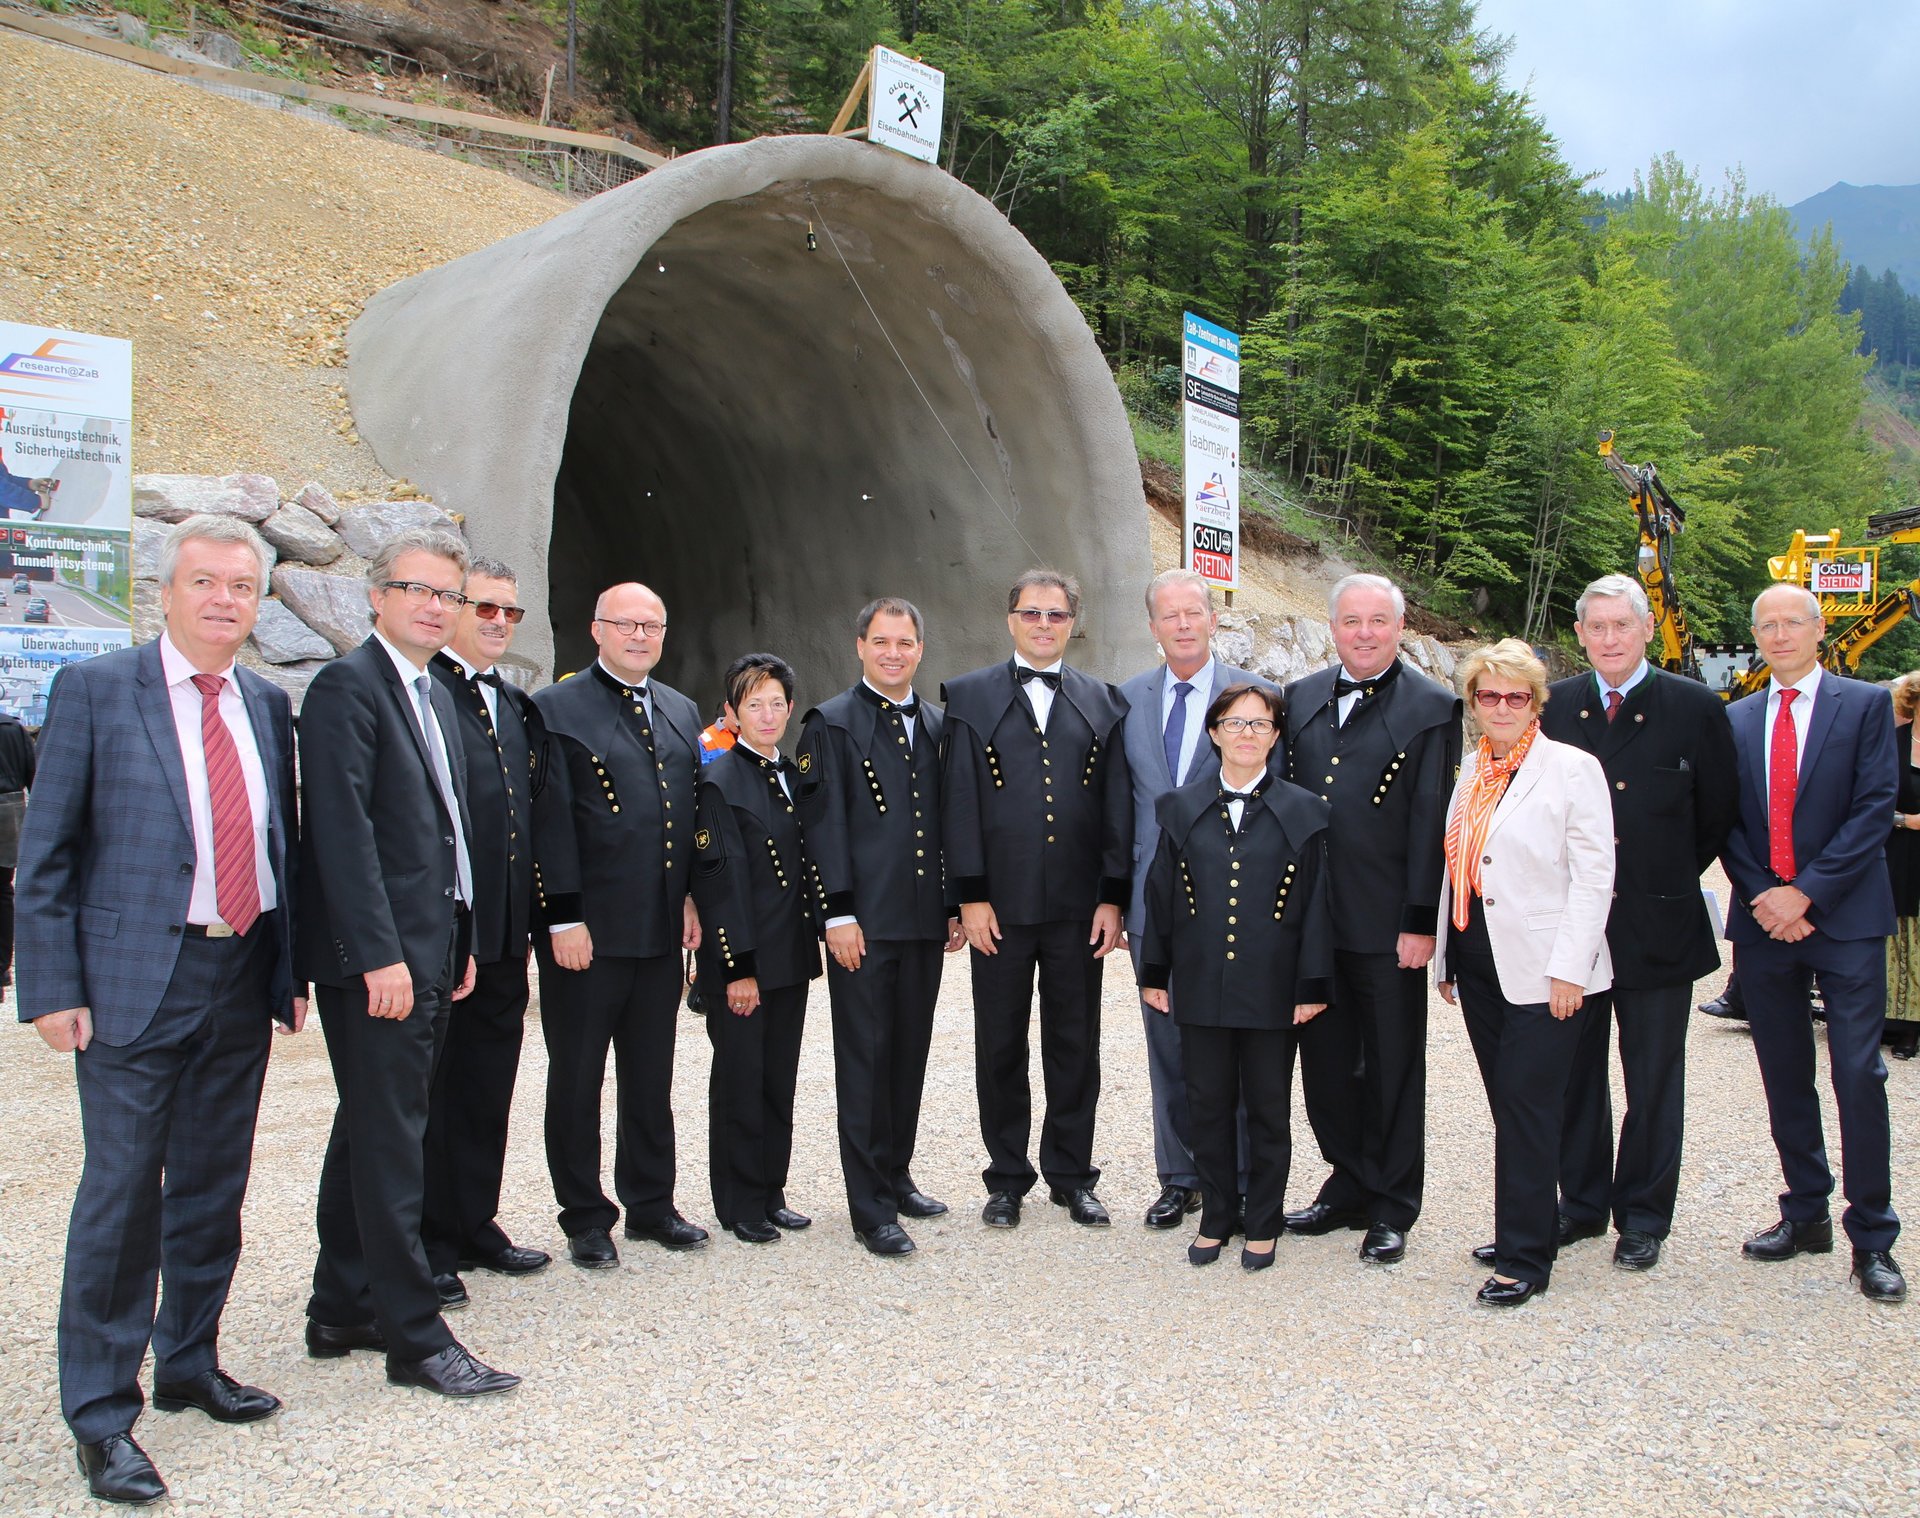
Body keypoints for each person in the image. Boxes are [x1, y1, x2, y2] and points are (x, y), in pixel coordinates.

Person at [17, 516, 301, 1503]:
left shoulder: (266, 706)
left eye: (241, 585)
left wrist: (288, 966)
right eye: (205, 582)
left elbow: (279, 849)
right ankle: (101, 1417)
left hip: (239, 972)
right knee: (122, 1197)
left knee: (212, 1187)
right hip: (137, 980)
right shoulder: (98, 693)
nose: (224, 598)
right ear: (168, 591)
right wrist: (50, 984)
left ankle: (188, 1363)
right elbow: (45, 856)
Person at [300, 528, 516, 1397]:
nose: (435, 606)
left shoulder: (427, 693)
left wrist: (458, 940)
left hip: (433, 949)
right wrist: (379, 957)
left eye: (447, 594)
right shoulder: (348, 689)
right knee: (395, 1144)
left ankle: (340, 1303)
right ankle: (414, 1338)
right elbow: (343, 839)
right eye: (418, 590)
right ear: (376, 597)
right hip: (382, 961)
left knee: (369, 1127)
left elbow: (444, 836)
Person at [1537, 574, 1737, 1271]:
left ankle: (1644, 1215)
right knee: (1575, 1074)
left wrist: (1660, 876)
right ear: (1581, 635)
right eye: (1597, 628)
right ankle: (1582, 1205)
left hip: (1657, 921)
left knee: (1653, 1079)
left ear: (1647, 629)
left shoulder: (1695, 707)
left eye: (1623, 626)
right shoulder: (1554, 706)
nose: (1610, 639)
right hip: (1575, 931)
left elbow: (1714, 814)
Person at [1723, 585, 1904, 1303]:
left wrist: (1809, 892)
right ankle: (1805, 1214)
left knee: (1858, 1074)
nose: (1778, 634)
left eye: (1790, 622)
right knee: (1784, 1070)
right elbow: (1723, 818)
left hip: (1846, 918)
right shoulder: (1734, 718)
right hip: (1765, 925)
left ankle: (1873, 1239)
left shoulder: (1864, 707)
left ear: (1819, 629)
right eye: (1765, 624)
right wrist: (1766, 896)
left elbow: (1874, 808)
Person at [942, 569, 1132, 1229]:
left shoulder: (1104, 702)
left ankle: (1073, 1175)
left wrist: (1113, 898)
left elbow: (1117, 808)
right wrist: (968, 898)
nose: (1044, 624)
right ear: (1010, 618)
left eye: (1056, 615)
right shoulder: (967, 698)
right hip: (999, 907)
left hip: (1079, 908)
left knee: (1075, 1043)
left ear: (1072, 622)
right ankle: (1006, 1178)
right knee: (999, 1044)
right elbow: (958, 804)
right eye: (1032, 613)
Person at [1281, 573, 1461, 1266]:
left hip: (1388, 924)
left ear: (1398, 626)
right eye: (1351, 620)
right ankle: (1347, 1181)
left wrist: (1421, 922)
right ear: (1332, 626)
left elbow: (1428, 824)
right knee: (1324, 1066)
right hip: (1314, 922)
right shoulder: (1298, 698)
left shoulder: (1432, 707)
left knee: (1390, 1065)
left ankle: (1392, 1202)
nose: (1364, 632)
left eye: (1378, 620)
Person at [532, 582, 709, 1267]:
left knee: (650, 1073)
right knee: (576, 1077)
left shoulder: (678, 707)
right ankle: (583, 1215)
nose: (640, 636)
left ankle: (651, 1204)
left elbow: (689, 813)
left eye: (652, 625)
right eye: (626, 624)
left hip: (659, 928)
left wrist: (693, 896)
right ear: (597, 629)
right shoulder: (554, 707)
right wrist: (563, 916)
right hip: (588, 934)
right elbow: (549, 823)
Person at [1436, 639, 1614, 1307]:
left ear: (1537, 702)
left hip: (1548, 971)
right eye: (1489, 695)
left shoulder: (1572, 769)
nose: (1501, 706)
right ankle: (1533, 1221)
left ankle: (1524, 1257)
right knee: (1511, 1105)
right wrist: (1449, 957)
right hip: (1482, 964)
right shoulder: (1472, 773)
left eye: (1516, 695)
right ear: (1475, 704)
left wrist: (1570, 970)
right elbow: (1460, 868)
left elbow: (1595, 878)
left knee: (1526, 1109)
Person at [1138, 685, 1332, 1271]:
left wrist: (1311, 986)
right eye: (1235, 723)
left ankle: (1265, 1220)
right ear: (1215, 732)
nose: (1247, 734)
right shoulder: (1179, 807)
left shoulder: (1307, 810)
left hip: (1272, 988)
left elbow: (1318, 905)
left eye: (1260, 724)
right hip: (1199, 984)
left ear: (1276, 735)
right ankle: (1217, 1215)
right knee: (1208, 1105)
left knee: (1269, 1107)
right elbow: (1161, 895)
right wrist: (1154, 974)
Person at [796, 599, 963, 1257]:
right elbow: (822, 827)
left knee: (907, 1056)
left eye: (906, 642)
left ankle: (895, 1175)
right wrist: (835, 912)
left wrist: (951, 903)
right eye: (882, 641)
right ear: (859, 645)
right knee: (864, 1062)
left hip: (921, 922)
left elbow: (948, 823)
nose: (894, 653)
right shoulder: (830, 724)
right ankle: (869, 1207)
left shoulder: (938, 725)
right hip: (861, 924)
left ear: (921, 648)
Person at [1120, 568, 1271, 1230]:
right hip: (1154, 909)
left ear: (1214, 619)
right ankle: (1179, 1176)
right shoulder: (1126, 701)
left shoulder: (1258, 698)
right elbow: (1118, 811)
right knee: (1168, 1044)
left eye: (1193, 613)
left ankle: (1234, 1178)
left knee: (1237, 1040)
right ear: (1152, 627)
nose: (1182, 625)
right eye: (1168, 615)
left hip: (1233, 908)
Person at [421, 558, 552, 1309]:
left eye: (512, 612)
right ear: (452, 608)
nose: (499, 622)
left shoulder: (508, 703)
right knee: (435, 1090)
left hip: (503, 931)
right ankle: (428, 1237)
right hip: (448, 934)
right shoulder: (429, 693)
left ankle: (474, 1219)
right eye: (486, 608)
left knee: (487, 1085)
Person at [693, 653, 823, 1243]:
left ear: (790, 710)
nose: (767, 714)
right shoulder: (719, 780)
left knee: (779, 1078)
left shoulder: (790, 775)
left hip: (788, 956)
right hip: (744, 962)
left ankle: (772, 1190)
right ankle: (739, 1201)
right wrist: (735, 968)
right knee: (740, 1081)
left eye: (777, 703)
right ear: (732, 713)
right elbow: (720, 881)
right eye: (754, 704)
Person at [1883, 672, 1920, 1060]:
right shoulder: (1891, 744)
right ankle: (1903, 1025)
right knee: (1901, 943)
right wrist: (1905, 822)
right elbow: (1869, 801)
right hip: (1901, 853)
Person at [0, 702, 35, 994]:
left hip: (8, 811)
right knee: (3, 890)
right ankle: (1, 969)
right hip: (8, 812)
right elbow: (34, 776)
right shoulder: (13, 729)